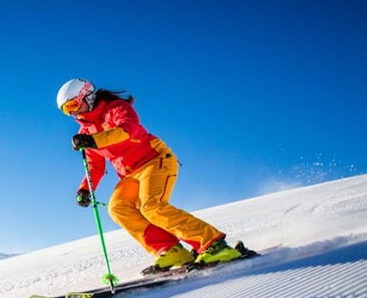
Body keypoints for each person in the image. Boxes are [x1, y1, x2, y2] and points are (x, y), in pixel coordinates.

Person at [55, 78, 245, 275]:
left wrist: (93, 140)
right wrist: (85, 188)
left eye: (73, 105)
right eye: (67, 110)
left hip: (155, 160)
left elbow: (128, 131)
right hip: (130, 174)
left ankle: (214, 244)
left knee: (152, 206)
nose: (73, 112)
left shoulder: (116, 108)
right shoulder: (84, 132)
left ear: (88, 95)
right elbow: (94, 166)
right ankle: (171, 250)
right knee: (117, 208)